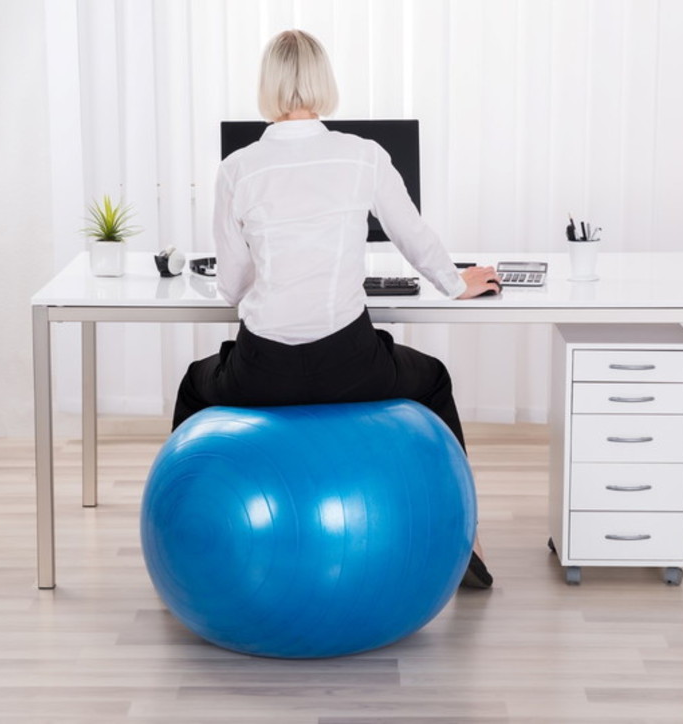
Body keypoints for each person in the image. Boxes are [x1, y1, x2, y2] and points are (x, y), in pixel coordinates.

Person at [172, 29, 499, 588]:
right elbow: (413, 237)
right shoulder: (363, 155)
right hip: (350, 368)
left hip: (263, 373)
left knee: (194, 384)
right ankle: (466, 540)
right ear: (324, 80)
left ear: (267, 84)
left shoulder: (238, 169)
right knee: (433, 378)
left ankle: (183, 537)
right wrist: (454, 282)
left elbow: (232, 287)